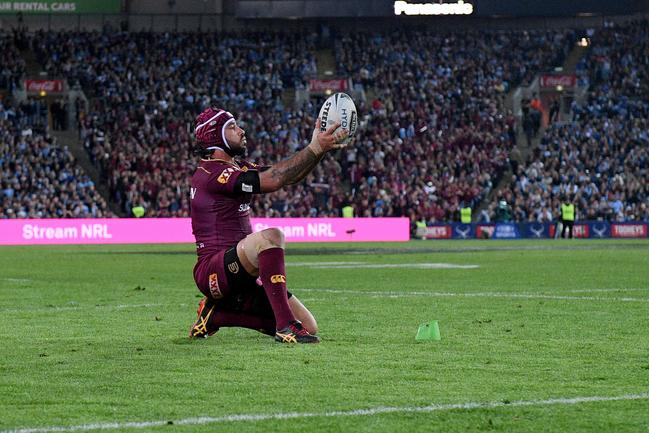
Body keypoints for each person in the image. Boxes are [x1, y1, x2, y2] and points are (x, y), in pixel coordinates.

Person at [188, 107, 348, 343]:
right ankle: (285, 327)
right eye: (232, 127)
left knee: (309, 326)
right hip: (214, 271)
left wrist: (318, 149)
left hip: (242, 271)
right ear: (215, 137)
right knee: (271, 237)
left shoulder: (235, 167)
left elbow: (285, 176)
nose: (242, 131)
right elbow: (273, 180)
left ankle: (215, 315)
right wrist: (315, 148)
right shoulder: (211, 173)